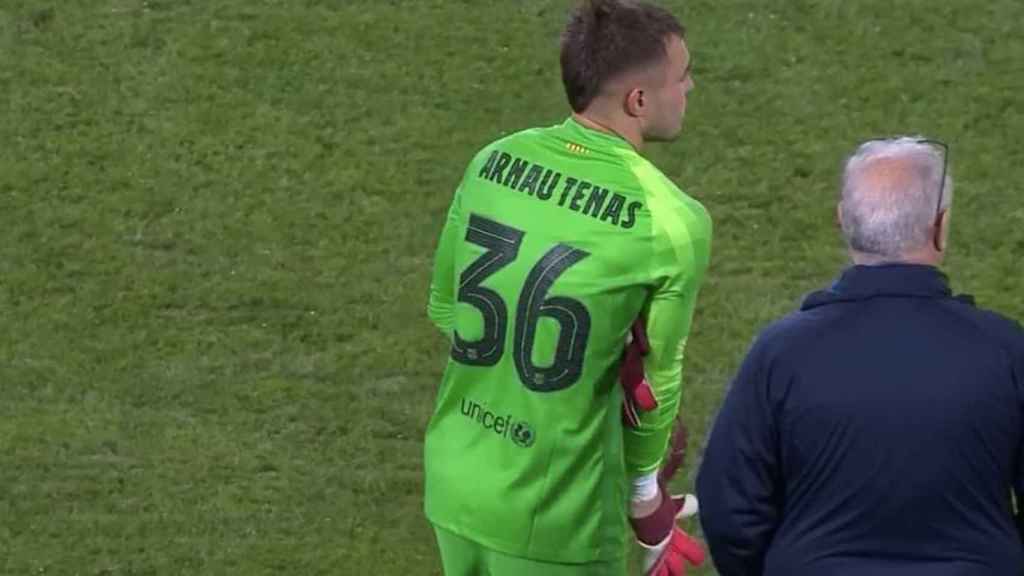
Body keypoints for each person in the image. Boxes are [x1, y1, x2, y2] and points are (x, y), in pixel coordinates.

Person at [423, 0, 712, 574]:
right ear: (638, 101)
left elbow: (446, 309)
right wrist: (645, 500)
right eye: (681, 77)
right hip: (556, 513)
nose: (691, 87)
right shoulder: (672, 220)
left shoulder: (492, 161)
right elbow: (658, 381)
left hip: (455, 480)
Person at [696, 136, 1024, 576]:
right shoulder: (1006, 350)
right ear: (940, 227)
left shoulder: (780, 352)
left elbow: (729, 507)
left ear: (842, 222)